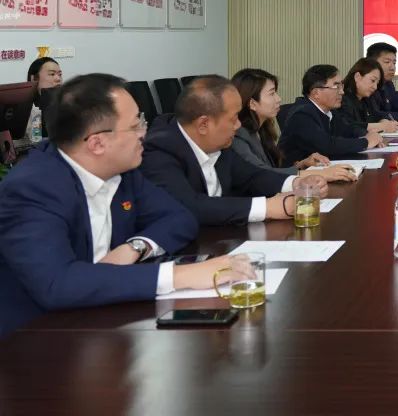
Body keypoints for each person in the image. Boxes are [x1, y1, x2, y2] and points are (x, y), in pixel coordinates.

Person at [0, 74, 251, 336]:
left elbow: (180, 217)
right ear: (97, 143)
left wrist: (134, 248)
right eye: (135, 126)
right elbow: (57, 284)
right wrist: (180, 276)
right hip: (36, 337)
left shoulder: (122, 171)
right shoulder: (32, 189)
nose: (144, 133)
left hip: (106, 321)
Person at [141, 76, 349, 227]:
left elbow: (251, 176)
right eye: (233, 119)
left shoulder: (219, 144)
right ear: (204, 124)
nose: (238, 125)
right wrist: (269, 207)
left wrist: (297, 183)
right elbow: (190, 206)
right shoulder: (159, 151)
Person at [230, 68, 355, 181]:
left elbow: (273, 168)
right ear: (252, 103)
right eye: (272, 93)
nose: (278, 99)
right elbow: (262, 174)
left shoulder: (262, 130)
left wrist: (301, 164)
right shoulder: (239, 136)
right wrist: (320, 173)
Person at [278, 64, 384, 164]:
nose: (342, 92)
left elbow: (348, 129)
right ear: (316, 93)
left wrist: (369, 135)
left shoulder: (330, 111)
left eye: (341, 86)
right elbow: (327, 145)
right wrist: (366, 142)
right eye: (336, 87)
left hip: (321, 168)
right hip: (296, 174)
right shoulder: (301, 114)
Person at [340, 58, 398, 130]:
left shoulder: (367, 98)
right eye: (372, 80)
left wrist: (384, 121)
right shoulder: (341, 98)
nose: (375, 87)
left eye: (377, 83)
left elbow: (377, 115)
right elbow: (348, 126)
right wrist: (381, 126)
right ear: (357, 77)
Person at [25, 56, 63, 137]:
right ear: (34, 79)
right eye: (52, 74)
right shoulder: (26, 108)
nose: (58, 79)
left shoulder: (67, 104)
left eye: (60, 74)